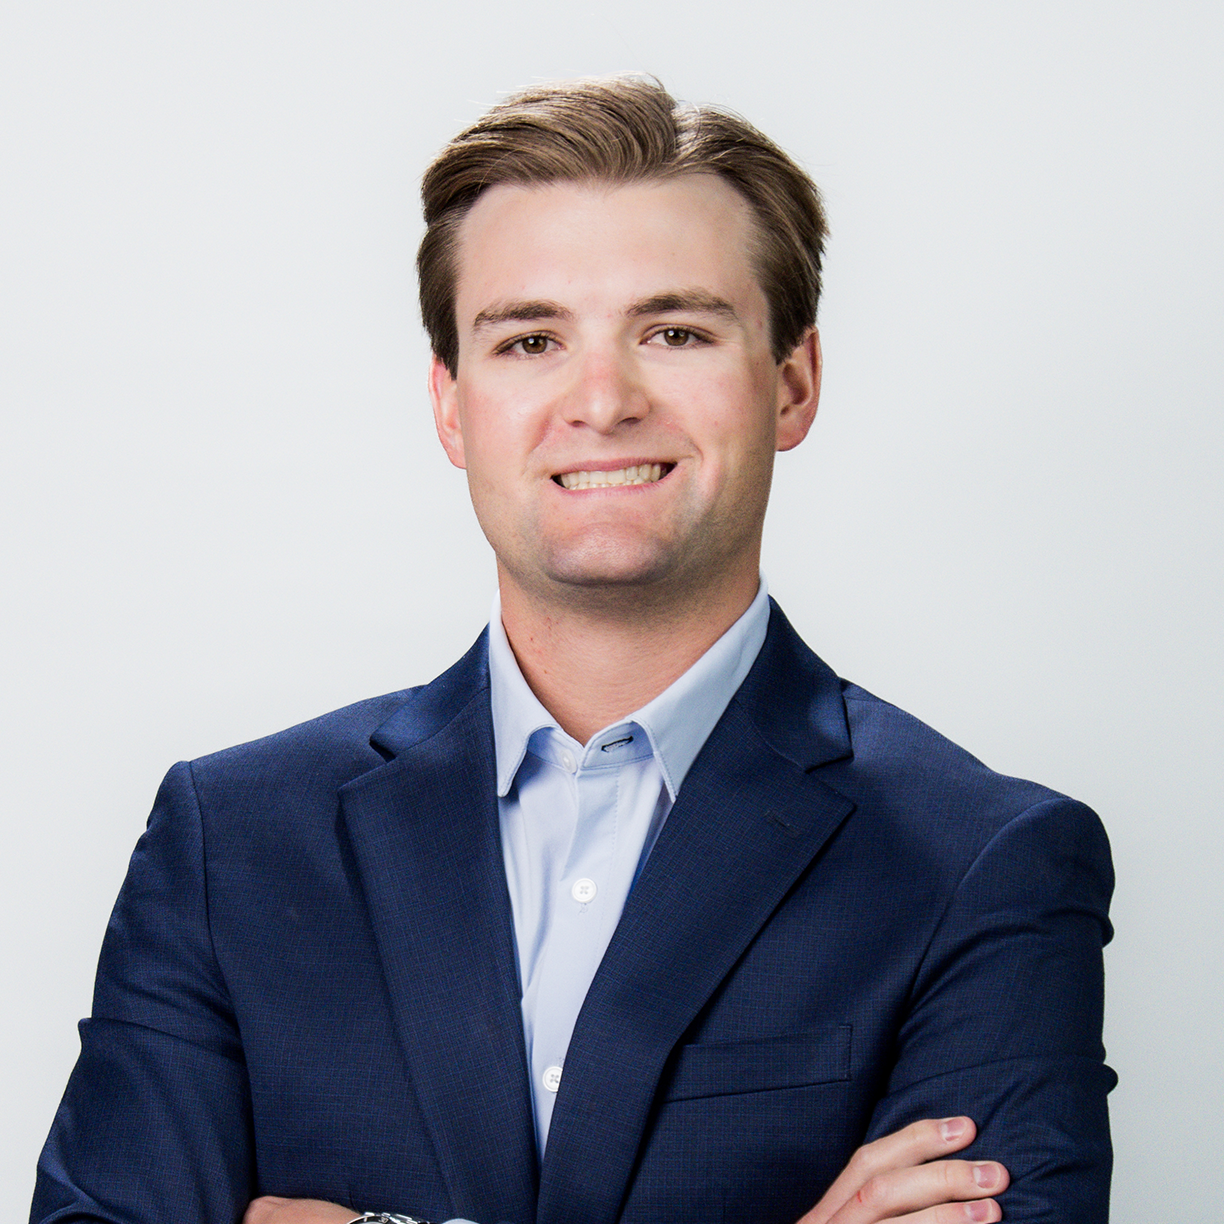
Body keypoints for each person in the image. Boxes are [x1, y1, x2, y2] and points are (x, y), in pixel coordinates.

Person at [30, 77, 1115, 1224]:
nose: (601, 401)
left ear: (792, 383)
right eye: (531, 339)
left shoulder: (982, 863)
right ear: (452, 405)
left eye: (675, 332)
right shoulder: (233, 844)